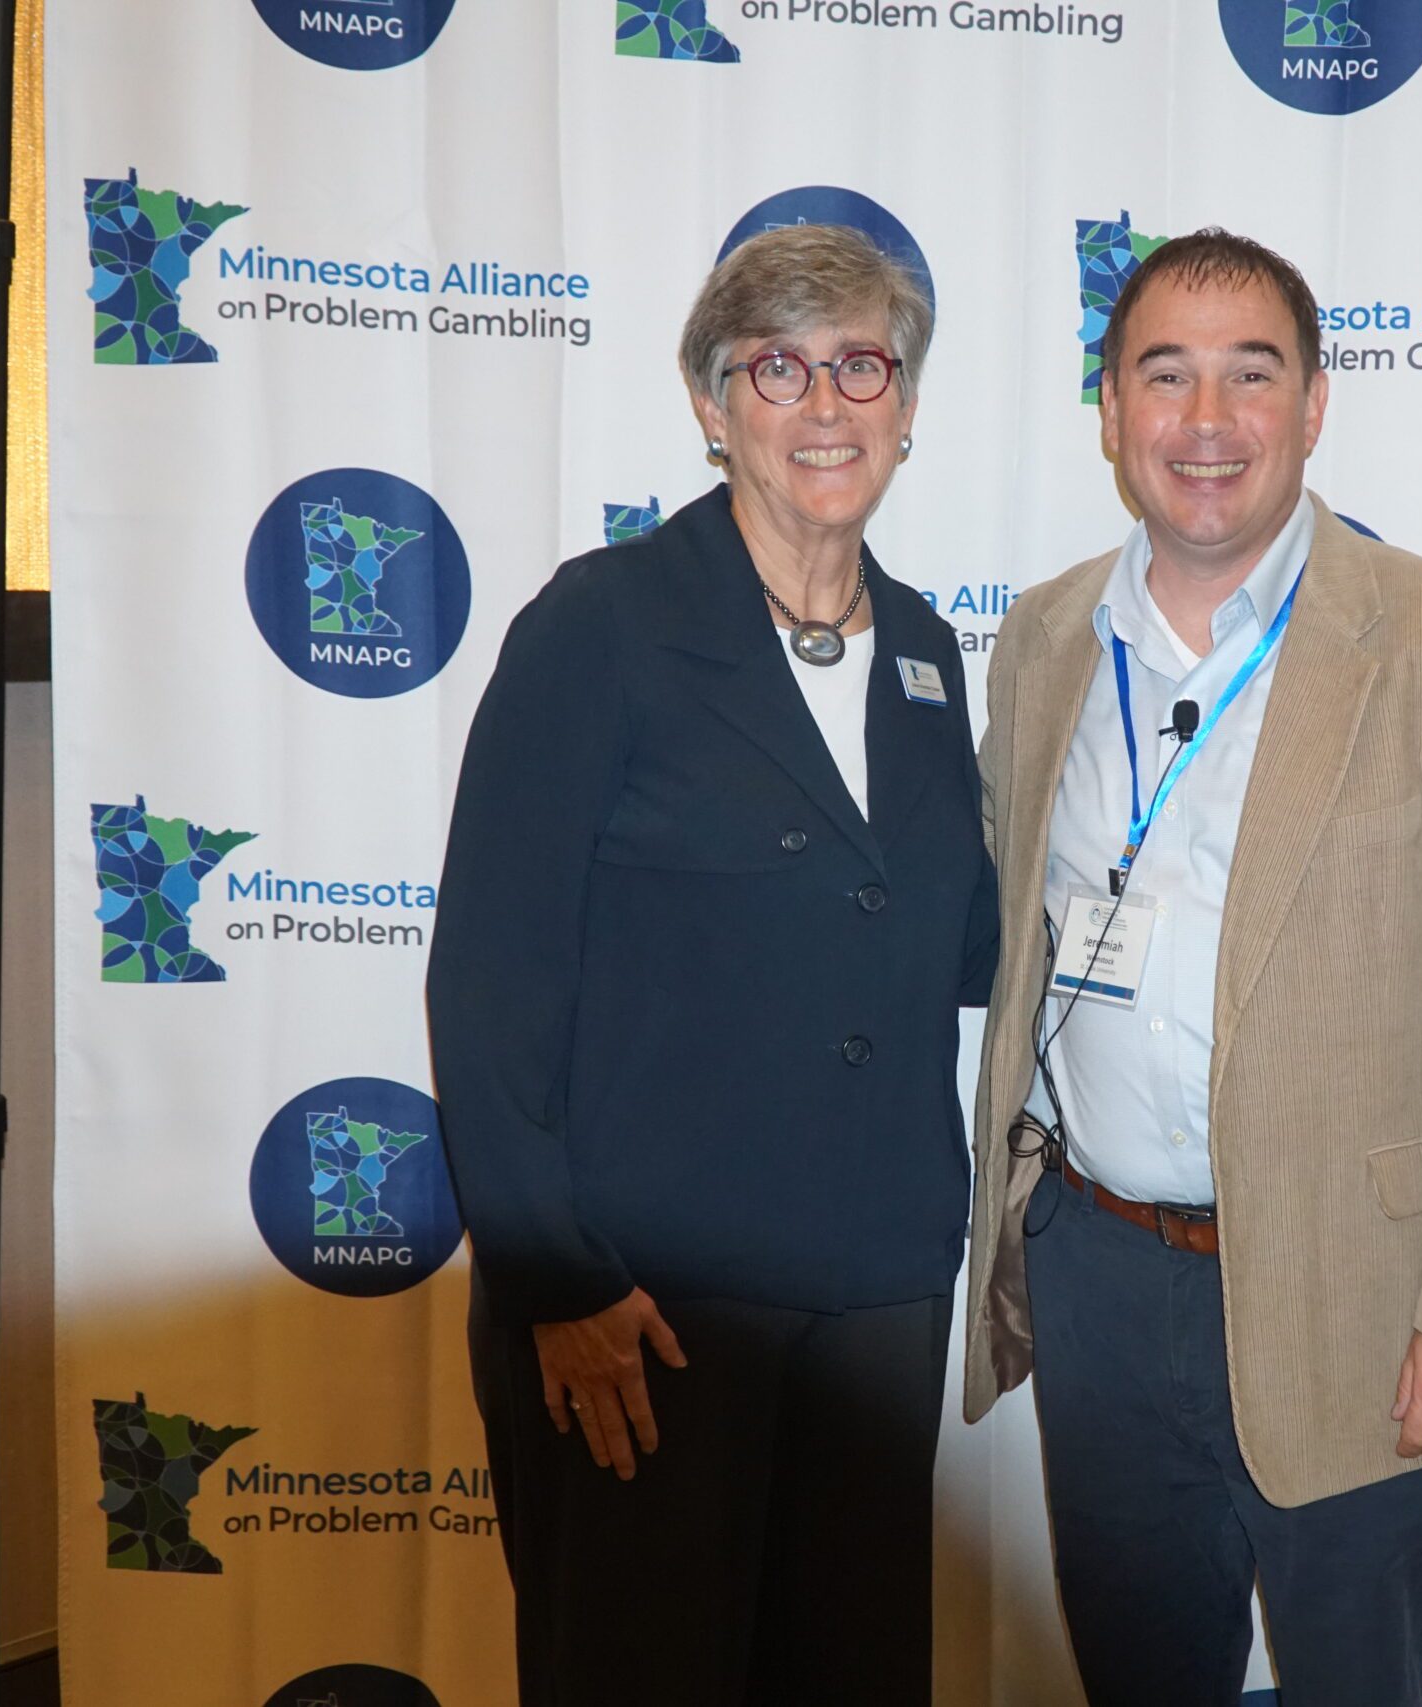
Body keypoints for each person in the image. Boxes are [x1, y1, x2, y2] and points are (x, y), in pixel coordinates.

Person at [960, 229, 1422, 1705]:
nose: (1206, 423)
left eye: (1251, 376)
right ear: (1110, 412)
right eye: (1163, 376)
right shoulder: (1047, 639)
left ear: (1315, 405)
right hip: (1103, 1277)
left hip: (1360, 1297)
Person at [427, 222, 996, 1707]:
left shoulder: (932, 659)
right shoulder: (601, 629)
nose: (825, 405)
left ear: (908, 402)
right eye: (777, 368)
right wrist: (557, 1280)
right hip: (648, 1315)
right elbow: (490, 984)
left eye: (861, 365)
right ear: (709, 403)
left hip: (875, 1294)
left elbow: (958, 937)